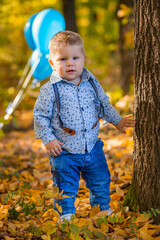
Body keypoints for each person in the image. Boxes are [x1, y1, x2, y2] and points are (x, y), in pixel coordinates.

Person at [33, 30, 135, 221]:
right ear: (52, 64)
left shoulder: (91, 83)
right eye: (63, 59)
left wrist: (117, 120)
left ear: (83, 59)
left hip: (92, 148)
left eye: (75, 57)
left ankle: (101, 210)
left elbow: (103, 104)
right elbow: (40, 116)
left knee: (101, 181)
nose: (70, 63)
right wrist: (48, 139)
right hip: (64, 151)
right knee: (65, 186)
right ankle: (66, 216)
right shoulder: (50, 89)